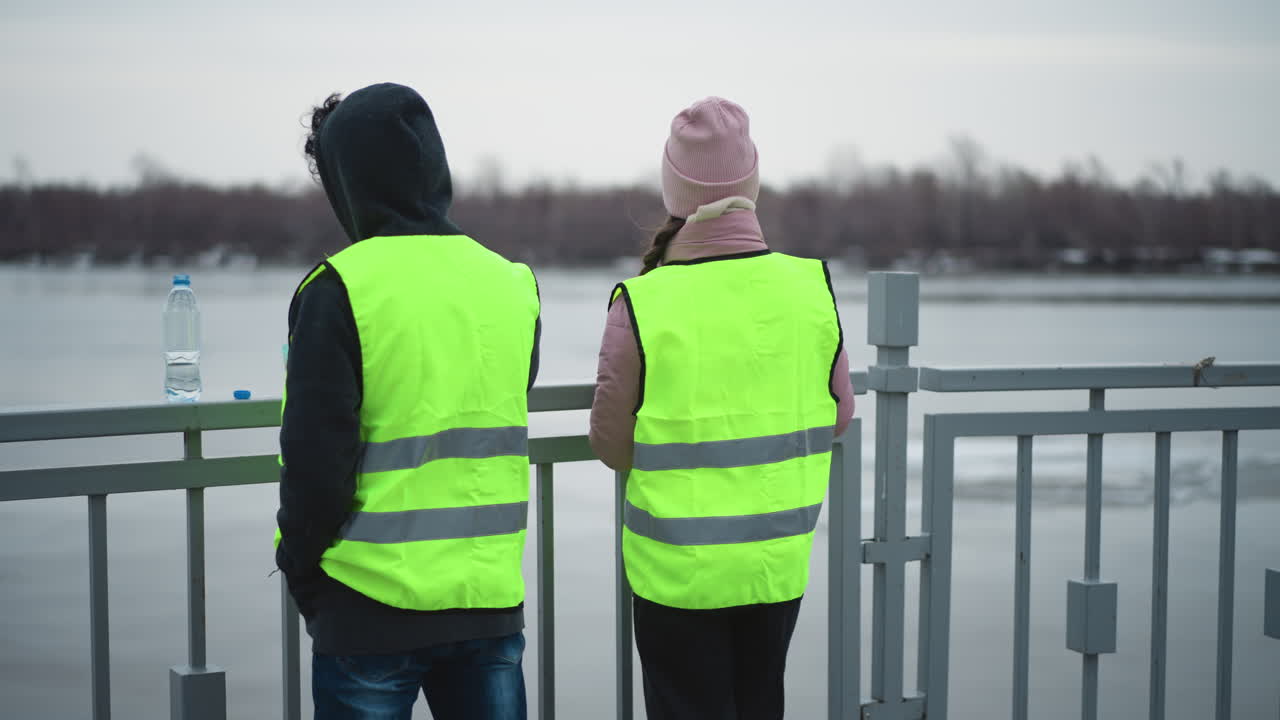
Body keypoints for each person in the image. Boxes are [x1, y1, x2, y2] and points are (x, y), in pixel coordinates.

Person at [274, 82, 540, 720]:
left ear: (350, 184)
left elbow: (315, 466)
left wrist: (304, 574)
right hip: (488, 602)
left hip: (369, 606)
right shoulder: (513, 282)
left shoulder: (337, 288)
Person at [589, 96, 856, 720]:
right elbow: (836, 417)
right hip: (774, 564)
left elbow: (611, 444)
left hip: (678, 574)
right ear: (752, 183)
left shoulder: (643, 300)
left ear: (674, 190)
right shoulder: (809, 286)